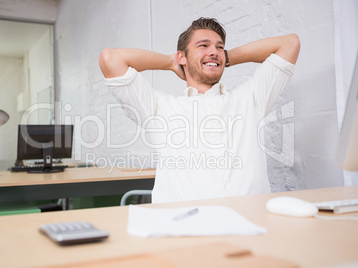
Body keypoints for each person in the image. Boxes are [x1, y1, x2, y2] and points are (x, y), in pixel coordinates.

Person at [99, 17, 300, 203]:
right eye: (203, 45)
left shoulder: (251, 98)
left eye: (220, 47)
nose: (213, 51)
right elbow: (110, 58)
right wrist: (171, 62)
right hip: (186, 229)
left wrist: (223, 57)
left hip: (253, 224)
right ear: (182, 57)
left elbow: (290, 43)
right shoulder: (159, 108)